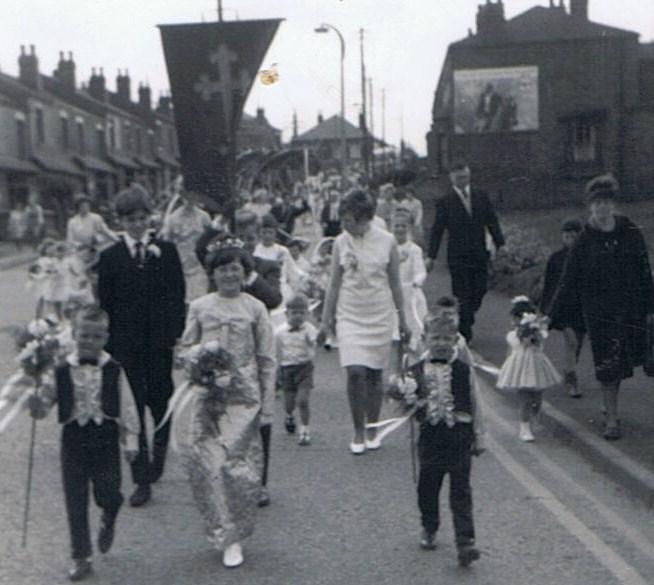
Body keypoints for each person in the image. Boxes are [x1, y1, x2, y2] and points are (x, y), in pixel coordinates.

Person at [180, 239, 276, 568]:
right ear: (213, 273)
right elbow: (184, 349)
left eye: (235, 267)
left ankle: (236, 534)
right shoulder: (200, 306)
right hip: (208, 396)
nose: (229, 274)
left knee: (235, 464)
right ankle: (221, 530)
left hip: (243, 396)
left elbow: (266, 358)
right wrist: (198, 362)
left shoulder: (255, 308)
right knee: (207, 462)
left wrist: (266, 406)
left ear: (245, 271)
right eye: (222, 268)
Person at [28, 307, 140, 582]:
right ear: (74, 335)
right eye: (84, 335)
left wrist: (132, 440)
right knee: (75, 501)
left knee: (108, 493)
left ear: (105, 338)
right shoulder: (61, 369)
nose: (89, 340)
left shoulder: (113, 368)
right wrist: (36, 405)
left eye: (96, 336)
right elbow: (45, 405)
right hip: (73, 440)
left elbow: (127, 406)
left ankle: (109, 514)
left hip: (105, 439)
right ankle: (81, 556)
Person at [98, 185, 186, 506]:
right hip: (125, 348)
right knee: (131, 412)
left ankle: (159, 457)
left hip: (159, 345)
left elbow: (177, 296)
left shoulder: (166, 251)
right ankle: (142, 478)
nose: (137, 224)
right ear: (120, 221)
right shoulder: (110, 258)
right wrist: (109, 346)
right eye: (130, 219)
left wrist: (176, 336)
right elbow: (104, 303)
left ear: (150, 218)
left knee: (161, 404)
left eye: (142, 218)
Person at [548, 174, 654, 440]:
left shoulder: (629, 230)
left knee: (644, 361)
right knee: (609, 367)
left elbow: (644, 270)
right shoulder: (584, 241)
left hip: (632, 310)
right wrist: (549, 318)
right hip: (601, 314)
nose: (602, 208)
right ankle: (612, 419)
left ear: (613, 204)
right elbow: (568, 282)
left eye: (607, 202)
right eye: (597, 203)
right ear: (589, 206)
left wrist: (651, 306)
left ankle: (613, 412)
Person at [318, 190, 407, 454]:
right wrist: (325, 322)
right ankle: (358, 430)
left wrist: (403, 320)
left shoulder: (387, 241)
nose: (344, 225)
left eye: (348, 220)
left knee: (373, 375)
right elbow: (333, 283)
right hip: (350, 315)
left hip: (379, 314)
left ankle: (372, 427)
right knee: (355, 372)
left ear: (365, 218)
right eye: (342, 220)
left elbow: (395, 283)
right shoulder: (340, 243)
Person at [407, 304, 485, 567]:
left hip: (460, 439)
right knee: (427, 488)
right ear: (426, 339)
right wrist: (405, 398)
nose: (441, 344)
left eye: (447, 339)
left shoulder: (464, 369)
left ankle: (465, 542)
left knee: (461, 491)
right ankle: (429, 526)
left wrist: (480, 436)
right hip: (431, 439)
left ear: (456, 340)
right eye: (436, 338)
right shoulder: (415, 370)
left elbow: (475, 403)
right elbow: (405, 405)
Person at [426, 159, 505, 342]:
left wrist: (500, 243)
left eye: (465, 177)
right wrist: (431, 256)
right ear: (452, 178)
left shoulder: (480, 196)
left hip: (478, 253)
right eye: (459, 177)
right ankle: (464, 330)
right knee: (462, 293)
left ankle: (467, 316)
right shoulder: (445, 202)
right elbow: (437, 230)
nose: (463, 180)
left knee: (480, 289)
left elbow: (491, 220)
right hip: (458, 256)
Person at [497, 296, 561, 442]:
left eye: (519, 318)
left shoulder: (537, 333)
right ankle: (524, 427)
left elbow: (539, 343)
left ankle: (534, 418)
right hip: (520, 369)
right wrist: (506, 369)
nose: (516, 322)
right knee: (525, 399)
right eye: (515, 318)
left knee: (537, 399)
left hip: (536, 367)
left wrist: (533, 333)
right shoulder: (512, 335)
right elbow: (510, 351)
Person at [539, 218, 585, 398]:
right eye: (567, 236)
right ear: (562, 237)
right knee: (572, 341)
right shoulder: (556, 259)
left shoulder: (587, 257)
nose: (571, 240)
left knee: (577, 344)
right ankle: (571, 378)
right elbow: (549, 287)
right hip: (562, 307)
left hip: (581, 307)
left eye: (575, 236)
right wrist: (545, 309)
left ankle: (569, 370)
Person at [275, 293, 318, 446]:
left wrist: (312, 341)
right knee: (289, 402)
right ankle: (289, 415)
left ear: (307, 314)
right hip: (287, 368)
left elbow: (315, 343)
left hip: (304, 367)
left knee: (303, 400)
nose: (298, 316)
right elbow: (276, 351)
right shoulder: (279, 332)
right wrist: (276, 370)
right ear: (287, 314)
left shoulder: (309, 329)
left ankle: (305, 430)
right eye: (294, 313)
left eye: (302, 313)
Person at [389, 209, 428, 376]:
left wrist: (416, 281)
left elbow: (421, 270)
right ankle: (395, 375)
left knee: (413, 338)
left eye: (403, 226)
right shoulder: (386, 248)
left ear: (409, 228)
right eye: (396, 226)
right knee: (394, 339)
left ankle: (414, 375)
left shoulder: (414, 250)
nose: (400, 229)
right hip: (391, 296)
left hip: (410, 296)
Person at [160, 190, 212, 301]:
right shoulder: (173, 219)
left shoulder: (204, 217)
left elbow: (210, 242)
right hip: (180, 266)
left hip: (199, 267)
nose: (190, 199)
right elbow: (166, 244)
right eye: (187, 195)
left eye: (193, 195)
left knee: (200, 300)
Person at [255, 214, 305, 300]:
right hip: (261, 290)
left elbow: (293, 272)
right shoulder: (255, 251)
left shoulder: (282, 250)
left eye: (270, 232)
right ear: (259, 233)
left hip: (281, 289)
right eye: (264, 232)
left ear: (275, 233)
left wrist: (305, 278)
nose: (267, 236)